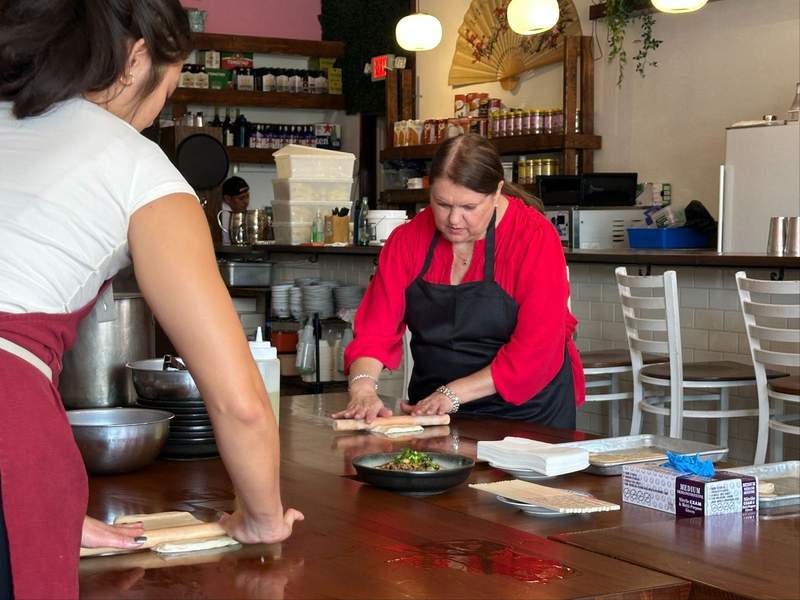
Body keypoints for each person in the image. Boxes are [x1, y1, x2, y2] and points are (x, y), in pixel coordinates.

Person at [0, 2, 301, 598]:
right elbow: (239, 401)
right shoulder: (140, 169)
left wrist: (45, 516)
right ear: (138, 58)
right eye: (173, 80)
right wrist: (262, 519)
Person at [335, 134, 585, 426]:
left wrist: (452, 394)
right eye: (442, 204)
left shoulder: (534, 238)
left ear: (496, 193)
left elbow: (537, 349)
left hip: (528, 414)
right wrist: (363, 388)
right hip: (434, 413)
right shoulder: (407, 240)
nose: (453, 219)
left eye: (468, 207)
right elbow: (375, 331)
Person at [220, 176, 251, 245]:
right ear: (227, 199)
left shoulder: (247, 209)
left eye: (247, 196)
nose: (246, 201)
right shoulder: (222, 216)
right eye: (241, 198)